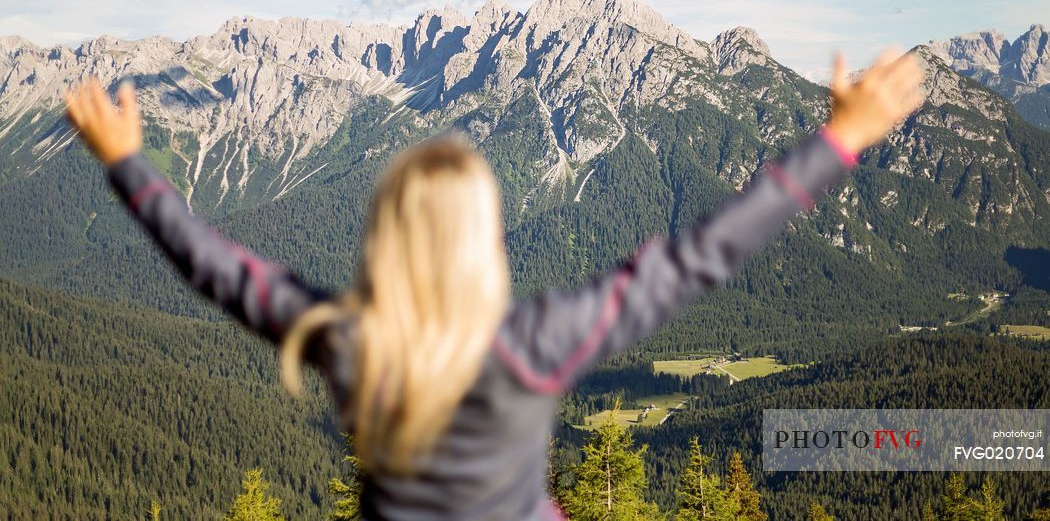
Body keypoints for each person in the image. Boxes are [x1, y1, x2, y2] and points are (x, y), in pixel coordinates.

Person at [64, 49, 925, 520]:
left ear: (382, 243)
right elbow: (702, 255)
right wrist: (841, 137)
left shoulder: (344, 341)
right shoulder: (532, 349)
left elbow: (214, 266)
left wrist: (129, 165)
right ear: (488, 245)